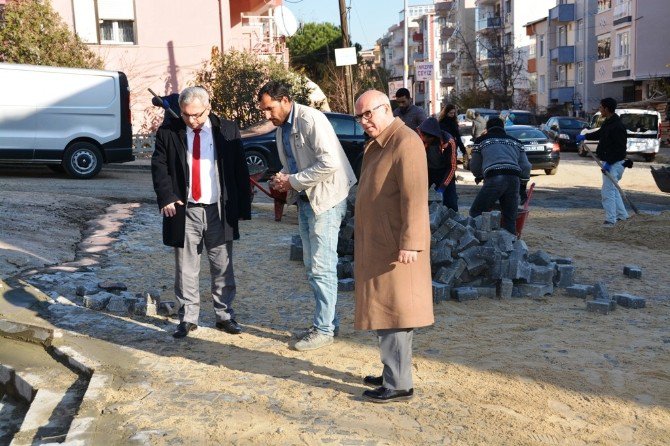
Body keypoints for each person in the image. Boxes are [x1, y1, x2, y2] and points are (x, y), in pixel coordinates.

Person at [258, 80, 357, 351]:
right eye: (264, 110)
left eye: (270, 108)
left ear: (286, 100)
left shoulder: (311, 119)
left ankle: (324, 329)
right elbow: (294, 164)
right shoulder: (282, 128)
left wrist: (292, 181)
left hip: (326, 199)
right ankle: (327, 323)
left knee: (322, 267)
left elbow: (329, 163)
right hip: (306, 200)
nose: (267, 115)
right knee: (313, 267)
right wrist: (281, 178)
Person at [353, 90, 434, 403]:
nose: (364, 122)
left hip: (396, 245)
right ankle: (393, 372)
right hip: (379, 242)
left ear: (385, 109)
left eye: (368, 114)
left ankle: (399, 383)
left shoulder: (405, 141)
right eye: (359, 117)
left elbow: (414, 197)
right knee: (385, 311)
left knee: (396, 313)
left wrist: (411, 243)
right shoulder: (380, 142)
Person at [151, 86, 251, 339]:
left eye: (197, 115)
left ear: (209, 108)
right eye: (186, 115)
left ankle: (225, 315)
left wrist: (241, 206)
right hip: (186, 209)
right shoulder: (169, 131)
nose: (192, 120)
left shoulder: (226, 130)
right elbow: (159, 166)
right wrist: (167, 197)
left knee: (222, 265)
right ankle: (187, 317)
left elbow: (239, 168)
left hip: (218, 208)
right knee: (185, 267)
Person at [469, 117, 531, 235]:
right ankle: (511, 248)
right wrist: (523, 186)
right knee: (509, 218)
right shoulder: (516, 142)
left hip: (495, 178)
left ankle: (476, 241)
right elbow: (526, 166)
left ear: (487, 129)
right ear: (503, 128)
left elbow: (475, 165)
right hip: (514, 179)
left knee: (476, 211)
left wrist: (478, 175)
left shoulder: (481, 140)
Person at [576, 97, 629, 227]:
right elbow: (600, 133)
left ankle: (610, 220)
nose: (599, 110)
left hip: (615, 163)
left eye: (601, 107)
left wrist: (609, 163)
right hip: (610, 162)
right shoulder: (608, 122)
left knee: (607, 191)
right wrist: (585, 136)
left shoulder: (617, 126)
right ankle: (622, 216)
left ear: (606, 108)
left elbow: (620, 149)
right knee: (613, 190)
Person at [417, 117, 459, 211]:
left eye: (425, 137)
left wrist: (442, 187)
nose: (423, 138)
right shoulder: (419, 138)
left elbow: (452, 167)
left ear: (432, 136)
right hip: (427, 171)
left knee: (451, 203)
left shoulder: (448, 141)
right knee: (416, 198)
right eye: (422, 135)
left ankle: (453, 220)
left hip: (444, 172)